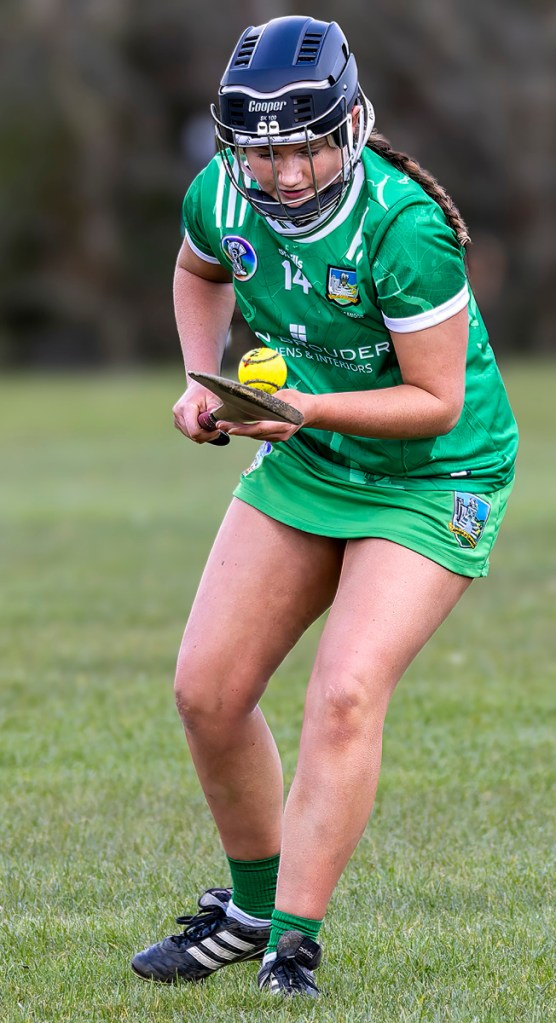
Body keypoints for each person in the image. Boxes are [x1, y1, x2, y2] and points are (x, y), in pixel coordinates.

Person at [131, 15, 518, 998]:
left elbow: (435, 402)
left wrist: (301, 407)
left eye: (308, 146)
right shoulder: (221, 193)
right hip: (314, 455)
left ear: (351, 125)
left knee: (343, 694)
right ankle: (248, 911)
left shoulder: (404, 226)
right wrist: (201, 380)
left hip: (437, 474)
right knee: (207, 691)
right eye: (266, 153)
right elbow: (198, 268)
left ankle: (291, 946)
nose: (289, 173)